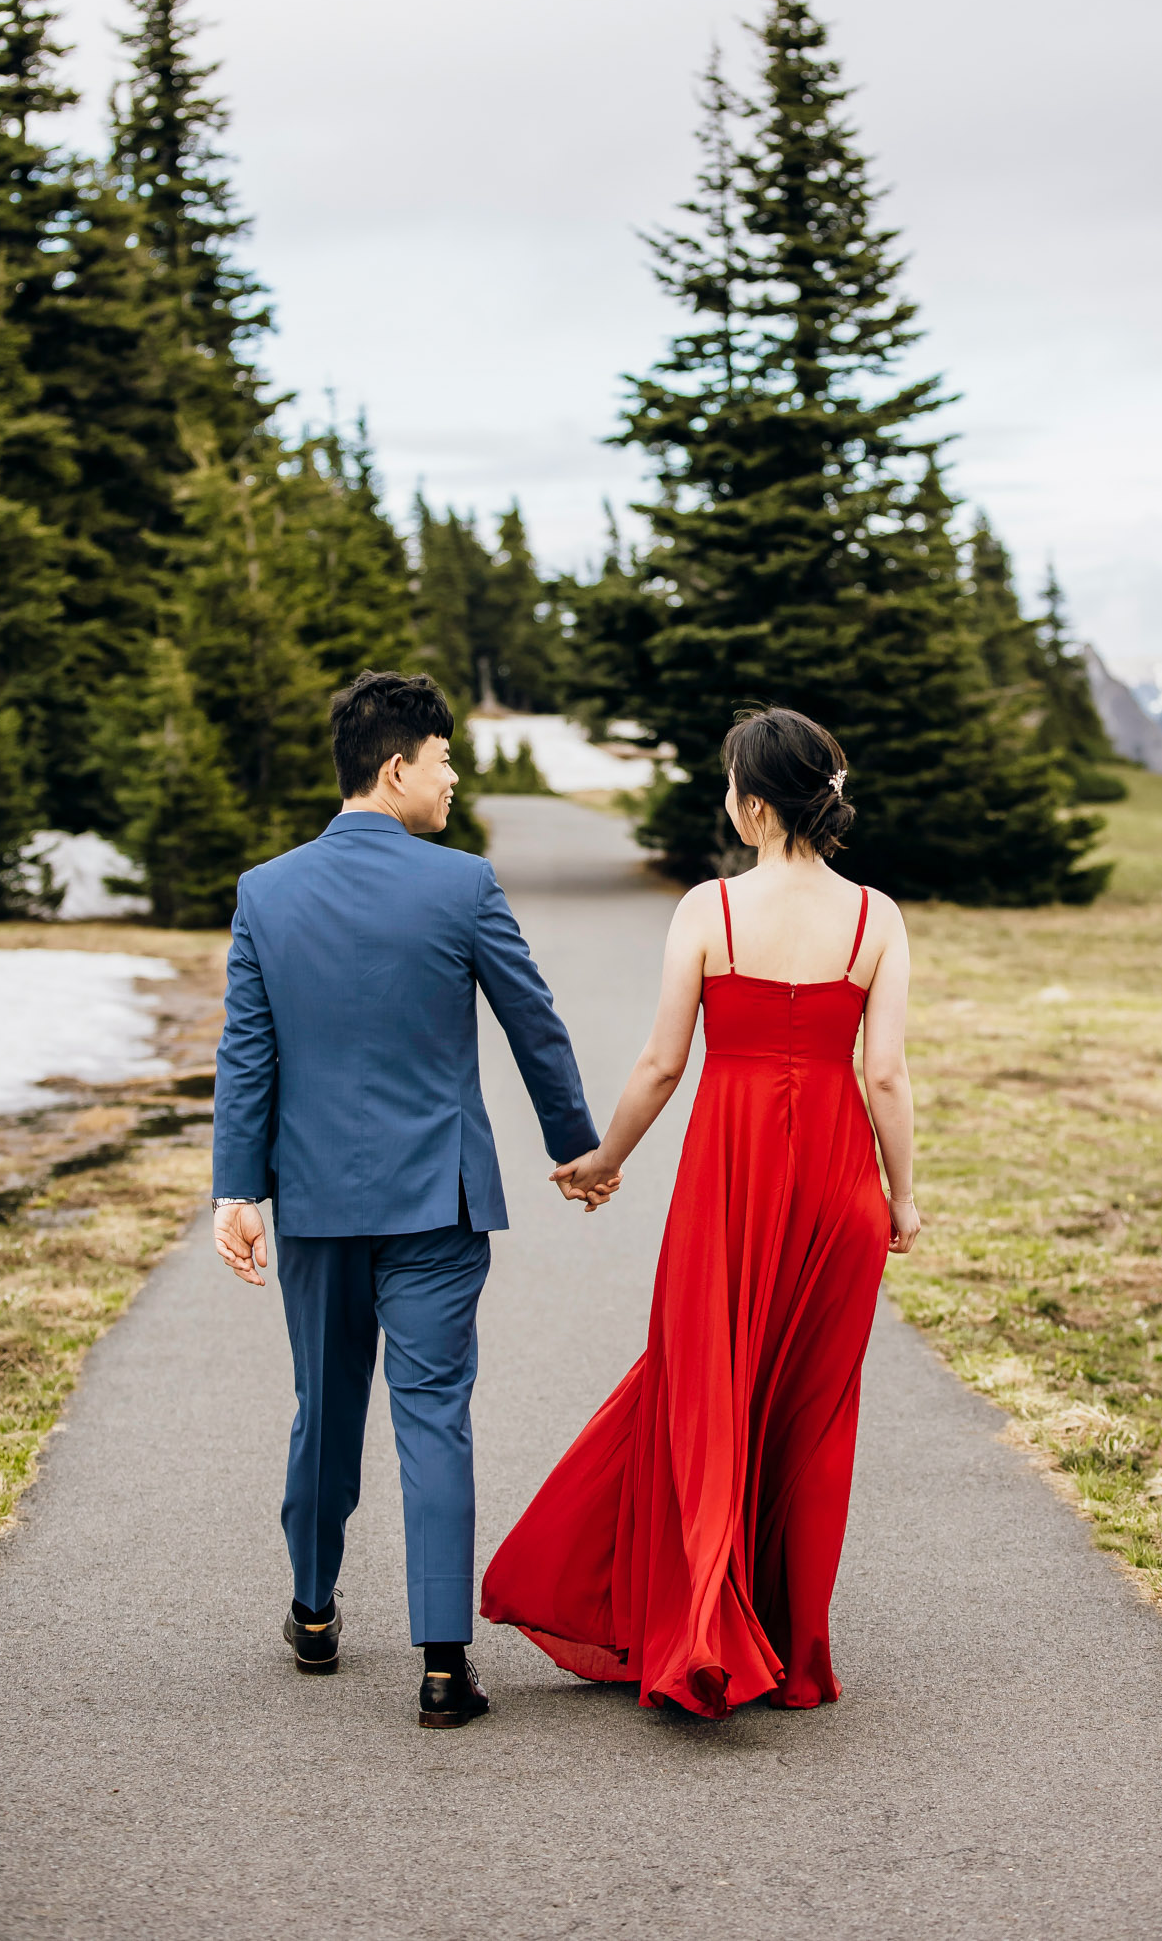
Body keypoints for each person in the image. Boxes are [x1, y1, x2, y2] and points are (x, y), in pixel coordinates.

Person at [480, 705, 919, 1716]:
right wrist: (902, 1196)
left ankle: (704, 1630)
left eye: (731, 787)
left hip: (729, 1184)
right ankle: (792, 1654)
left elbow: (662, 1062)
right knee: (808, 1416)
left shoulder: (708, 911)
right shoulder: (876, 918)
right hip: (836, 1187)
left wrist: (602, 1160)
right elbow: (884, 1075)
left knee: (703, 1388)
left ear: (754, 805)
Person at [210, 670, 598, 1731]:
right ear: (395, 768)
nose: (453, 775)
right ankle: (440, 1666)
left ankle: (314, 1610)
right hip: (437, 1201)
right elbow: (535, 1025)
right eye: (441, 758)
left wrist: (237, 1189)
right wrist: (578, 1149)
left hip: (318, 1204)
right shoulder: (461, 884)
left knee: (324, 1409)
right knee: (434, 1418)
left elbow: (248, 1056)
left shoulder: (266, 891)